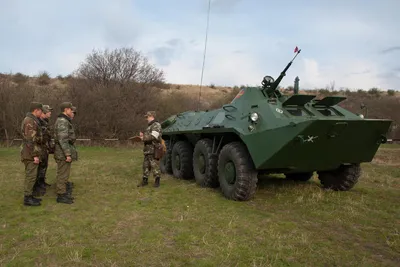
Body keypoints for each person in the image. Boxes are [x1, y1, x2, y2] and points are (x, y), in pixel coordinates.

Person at [53, 102, 77, 204]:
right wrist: (67, 154)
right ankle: (61, 195)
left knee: (64, 173)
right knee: (62, 174)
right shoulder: (63, 121)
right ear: (66, 109)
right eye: (71, 109)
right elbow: (63, 139)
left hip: (62, 151)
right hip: (62, 153)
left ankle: (63, 192)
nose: (72, 111)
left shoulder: (63, 120)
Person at [21, 102, 44, 206]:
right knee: (31, 175)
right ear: (36, 110)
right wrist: (34, 155)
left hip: (30, 152)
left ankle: (30, 195)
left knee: (32, 175)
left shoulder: (32, 120)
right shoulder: (30, 121)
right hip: (30, 153)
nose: (41, 113)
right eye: (41, 111)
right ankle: (27, 198)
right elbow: (30, 139)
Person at [137, 111, 162, 188]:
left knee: (154, 166)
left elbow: (154, 136)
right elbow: (148, 136)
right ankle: (145, 181)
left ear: (151, 116)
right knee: (145, 166)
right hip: (147, 150)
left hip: (154, 149)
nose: (146, 119)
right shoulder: (149, 126)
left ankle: (157, 182)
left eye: (147, 117)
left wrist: (143, 138)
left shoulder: (156, 125)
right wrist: (142, 136)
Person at [33, 104, 53, 196]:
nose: (50, 113)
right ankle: (37, 185)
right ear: (43, 112)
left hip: (45, 147)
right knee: (39, 167)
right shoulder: (39, 122)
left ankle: (42, 182)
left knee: (44, 166)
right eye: (49, 111)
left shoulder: (45, 122)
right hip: (40, 148)